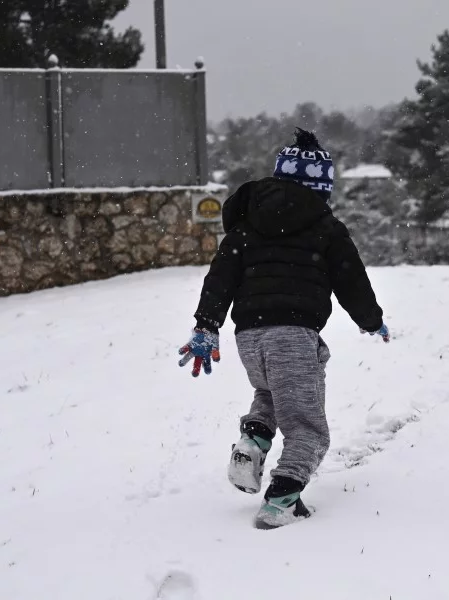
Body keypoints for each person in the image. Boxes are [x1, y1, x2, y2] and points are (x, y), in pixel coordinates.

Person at [177, 128, 390, 529]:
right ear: (321, 187)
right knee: (308, 428)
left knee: (271, 392)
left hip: (249, 338)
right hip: (292, 336)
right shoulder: (327, 228)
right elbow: (351, 280)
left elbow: (220, 278)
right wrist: (371, 319)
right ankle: (282, 500)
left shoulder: (245, 227)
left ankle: (253, 442)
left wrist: (206, 325)